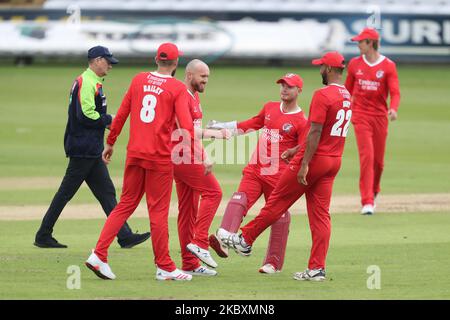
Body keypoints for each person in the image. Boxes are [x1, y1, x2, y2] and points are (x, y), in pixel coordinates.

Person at [217, 52, 352, 282]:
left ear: (329, 69)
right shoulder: (347, 95)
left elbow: (315, 132)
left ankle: (245, 240)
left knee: (277, 200)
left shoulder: (322, 94)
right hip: (334, 160)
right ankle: (317, 268)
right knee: (321, 216)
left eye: (321, 67)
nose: (319, 70)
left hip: (315, 160)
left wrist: (304, 162)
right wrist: (296, 151)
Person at [85, 42, 196, 281]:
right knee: (158, 212)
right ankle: (164, 266)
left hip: (135, 153)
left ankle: (99, 254)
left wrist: (111, 141)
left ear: (156, 59)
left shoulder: (138, 80)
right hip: (159, 158)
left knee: (125, 204)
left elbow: (123, 112)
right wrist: (195, 151)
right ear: (176, 63)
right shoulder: (177, 88)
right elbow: (186, 126)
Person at [34, 46, 150, 249]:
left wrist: (105, 124)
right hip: (83, 148)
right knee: (66, 193)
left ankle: (124, 235)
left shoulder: (90, 81)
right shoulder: (87, 82)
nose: (110, 66)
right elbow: (85, 115)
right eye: (108, 62)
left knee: (106, 192)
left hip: (89, 147)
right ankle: (43, 234)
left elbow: (86, 113)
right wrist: (109, 119)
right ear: (96, 60)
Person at [207, 73, 307, 274]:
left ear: (299, 91)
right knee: (239, 199)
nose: (284, 89)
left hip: (279, 176)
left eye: (289, 86)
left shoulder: (301, 121)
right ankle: (224, 239)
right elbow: (251, 124)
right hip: (255, 169)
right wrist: (222, 126)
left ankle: (273, 263)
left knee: (278, 216)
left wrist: (297, 173)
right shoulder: (270, 107)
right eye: (282, 85)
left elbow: (304, 150)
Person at [173, 59, 230, 276]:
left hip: (188, 155)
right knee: (214, 193)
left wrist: (204, 154)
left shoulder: (194, 97)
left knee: (188, 211)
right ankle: (199, 243)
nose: (205, 80)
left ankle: (189, 264)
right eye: (202, 76)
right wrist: (217, 135)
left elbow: (194, 131)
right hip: (182, 156)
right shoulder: (181, 95)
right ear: (189, 75)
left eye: (207, 77)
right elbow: (185, 131)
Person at [345, 27, 401, 215]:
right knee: (367, 157)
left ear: (370, 43)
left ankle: (374, 190)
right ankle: (367, 201)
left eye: (361, 42)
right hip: (360, 115)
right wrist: (343, 109)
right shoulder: (354, 64)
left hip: (379, 117)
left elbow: (394, 91)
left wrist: (393, 108)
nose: (358, 45)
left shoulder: (388, 66)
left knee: (378, 162)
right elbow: (347, 90)